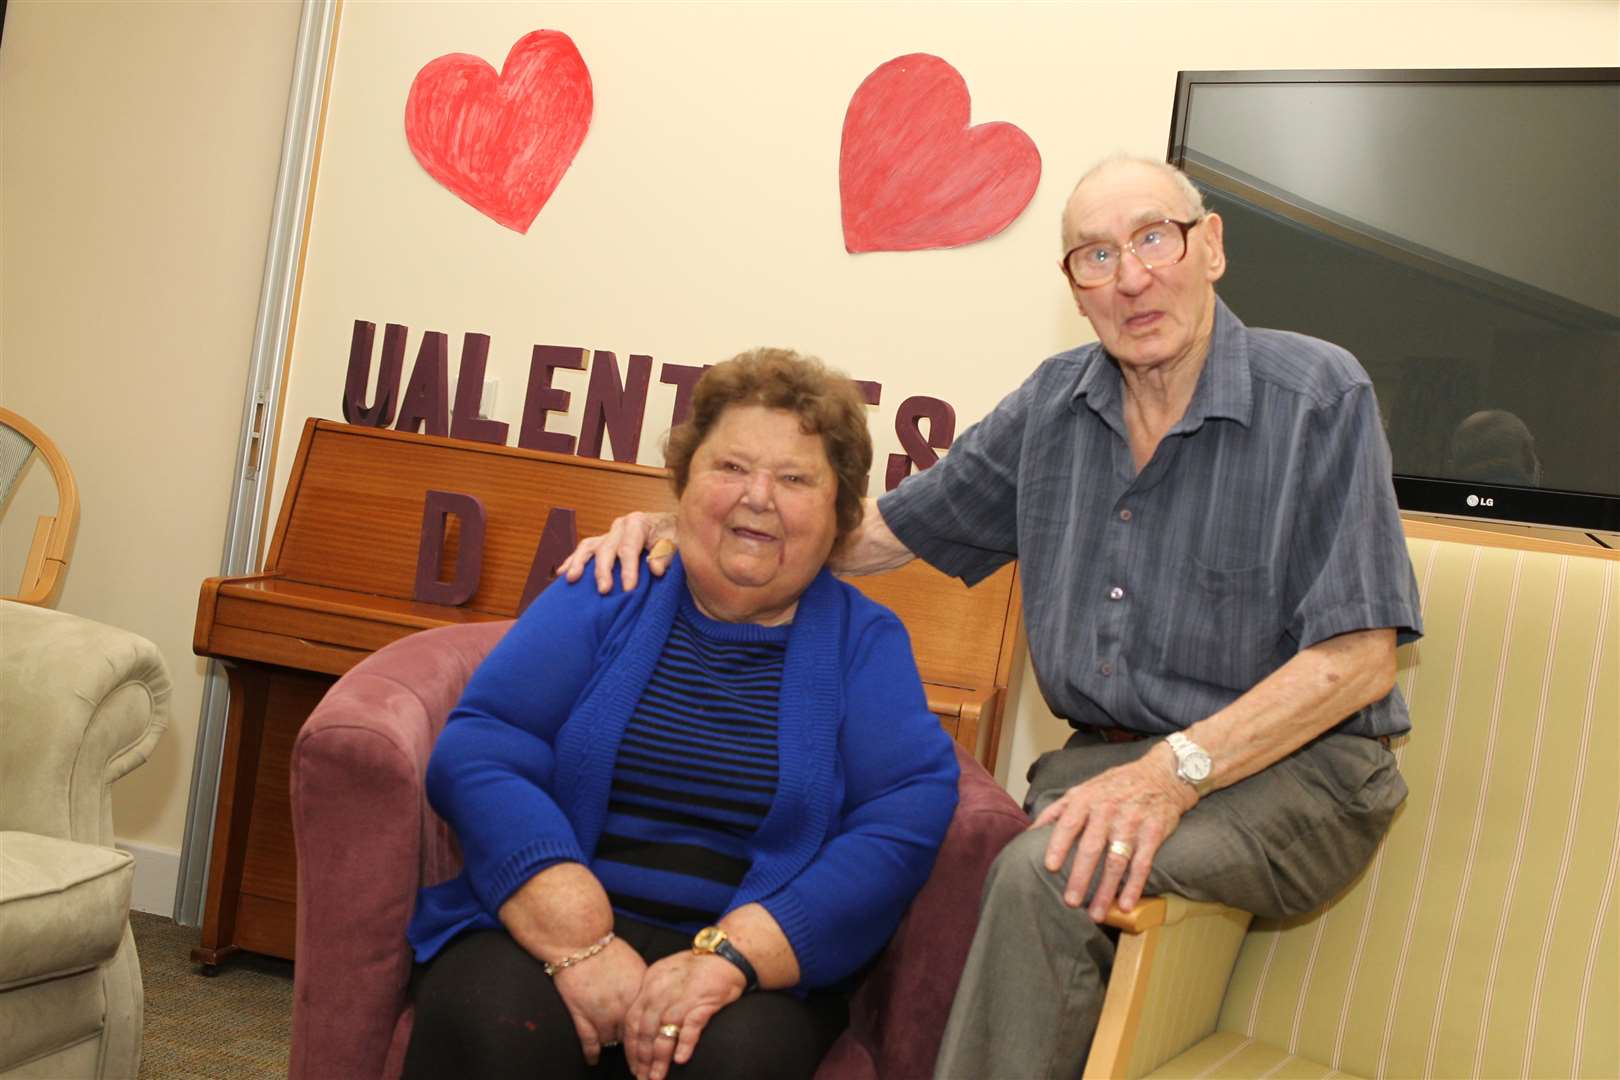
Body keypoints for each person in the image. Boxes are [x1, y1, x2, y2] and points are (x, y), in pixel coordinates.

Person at [560, 155, 1423, 1078]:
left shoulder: (1318, 396)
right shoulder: (1054, 406)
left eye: (1152, 239)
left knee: (1043, 873)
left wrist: (1174, 771)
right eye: (1095, 256)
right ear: (1075, 289)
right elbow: (878, 534)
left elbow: (1362, 657)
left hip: (1303, 773)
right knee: (963, 855)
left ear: (1209, 246)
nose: (1130, 277)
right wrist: (700, 525)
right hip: (1104, 763)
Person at [404, 348, 960, 1080]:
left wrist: (740, 953)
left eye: (794, 479)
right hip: (553, 925)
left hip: (746, 967)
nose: (757, 496)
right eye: (729, 468)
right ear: (685, 483)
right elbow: (483, 745)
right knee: (498, 1025)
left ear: (839, 515)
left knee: (735, 1063)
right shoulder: (605, 587)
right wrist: (577, 935)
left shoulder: (866, 642)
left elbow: (904, 813)